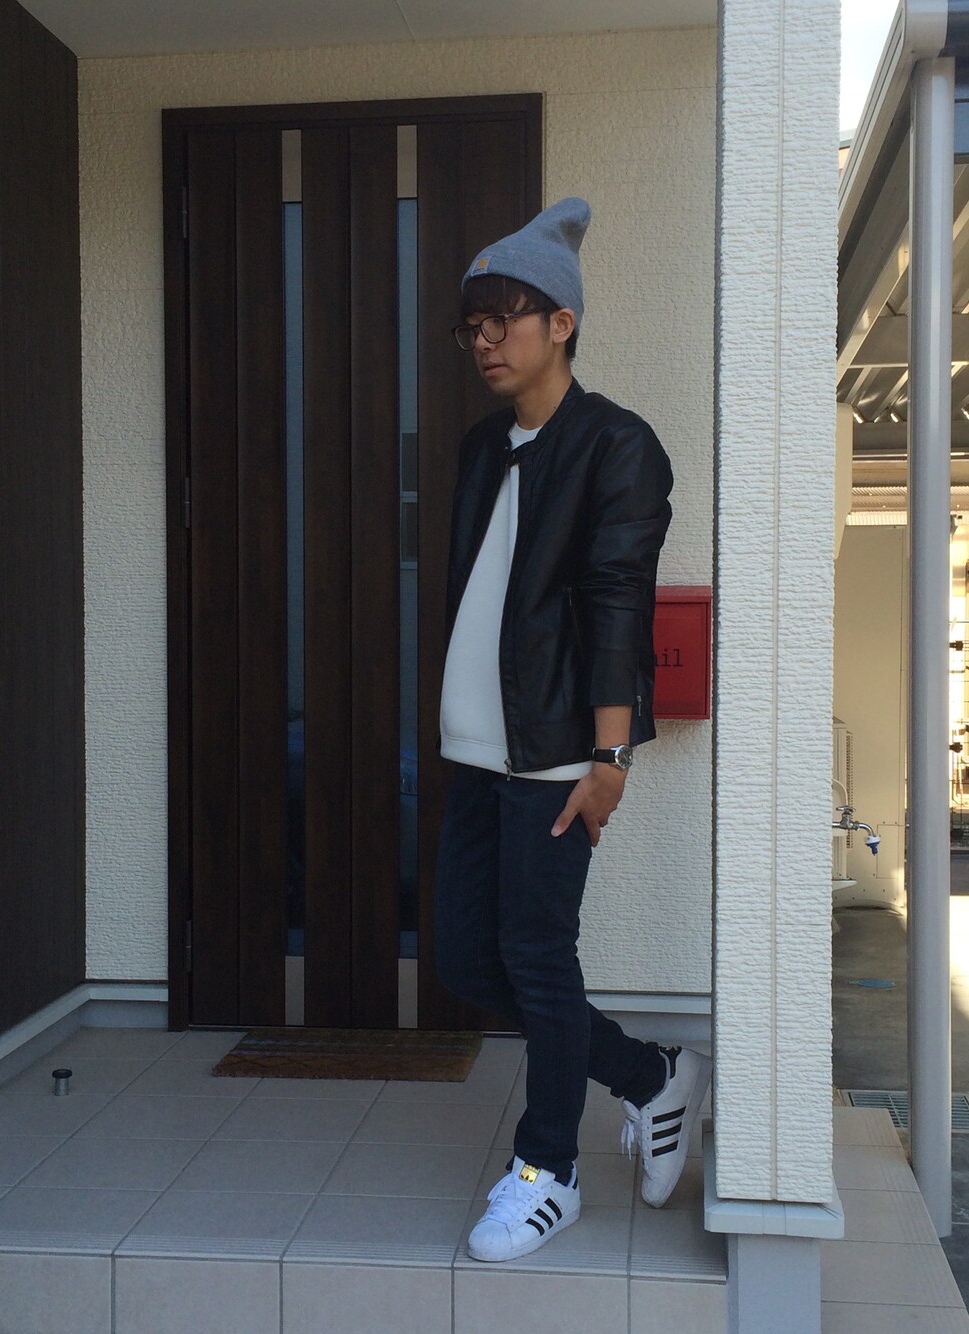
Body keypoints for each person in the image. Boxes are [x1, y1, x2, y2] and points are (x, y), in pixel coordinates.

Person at [434, 197, 712, 1263]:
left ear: (562, 322)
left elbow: (615, 601)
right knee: (471, 955)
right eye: (473, 324)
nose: (485, 341)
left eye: (504, 318)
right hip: (475, 748)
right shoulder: (481, 447)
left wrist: (610, 755)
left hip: (557, 755)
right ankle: (651, 1076)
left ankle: (547, 1170)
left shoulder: (617, 445)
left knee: (538, 957)